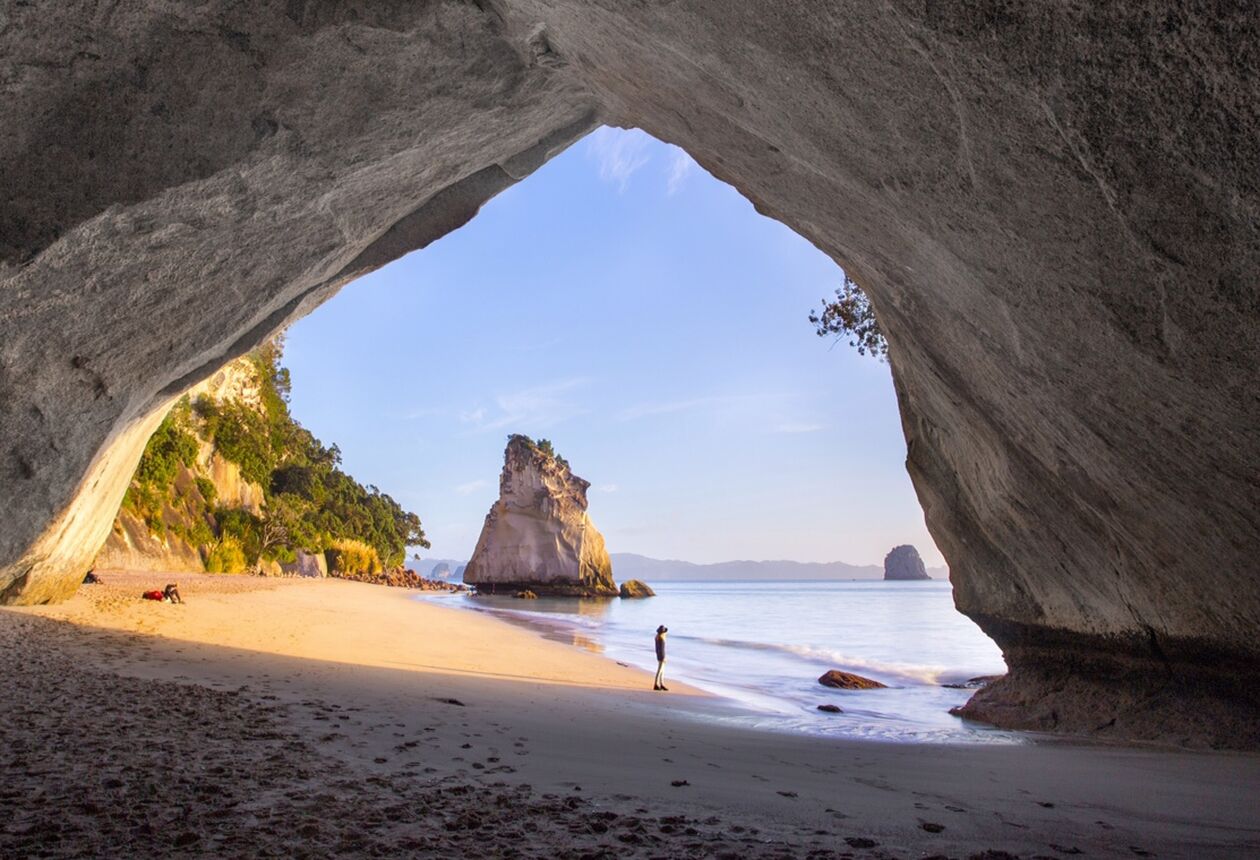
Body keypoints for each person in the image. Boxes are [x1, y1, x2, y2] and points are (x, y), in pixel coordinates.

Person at [653, 625, 668, 691]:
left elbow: (657, 649)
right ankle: (656, 684)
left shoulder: (657, 637)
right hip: (661, 655)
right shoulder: (661, 638)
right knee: (660, 671)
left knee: (662, 671)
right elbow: (662, 649)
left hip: (659, 655)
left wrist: (659, 655)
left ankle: (661, 684)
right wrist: (664, 657)